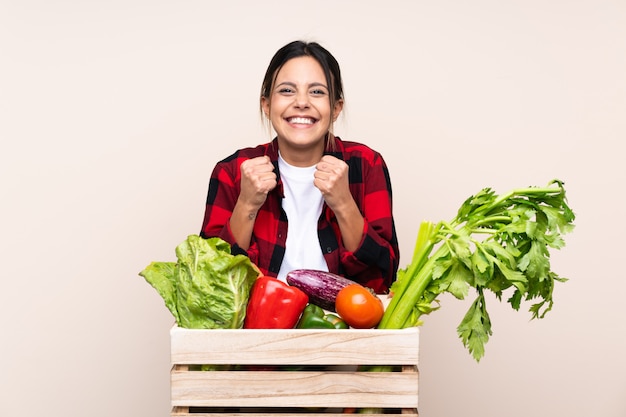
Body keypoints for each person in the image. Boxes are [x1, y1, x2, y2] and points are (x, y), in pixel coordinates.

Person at [200, 40, 398, 293]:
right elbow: (210, 285)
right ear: (267, 104)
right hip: (256, 328)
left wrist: (344, 204)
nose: (302, 102)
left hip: (344, 328)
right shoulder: (232, 171)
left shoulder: (366, 164)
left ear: (336, 108)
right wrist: (247, 204)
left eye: (317, 92)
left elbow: (382, 279)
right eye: (286, 91)